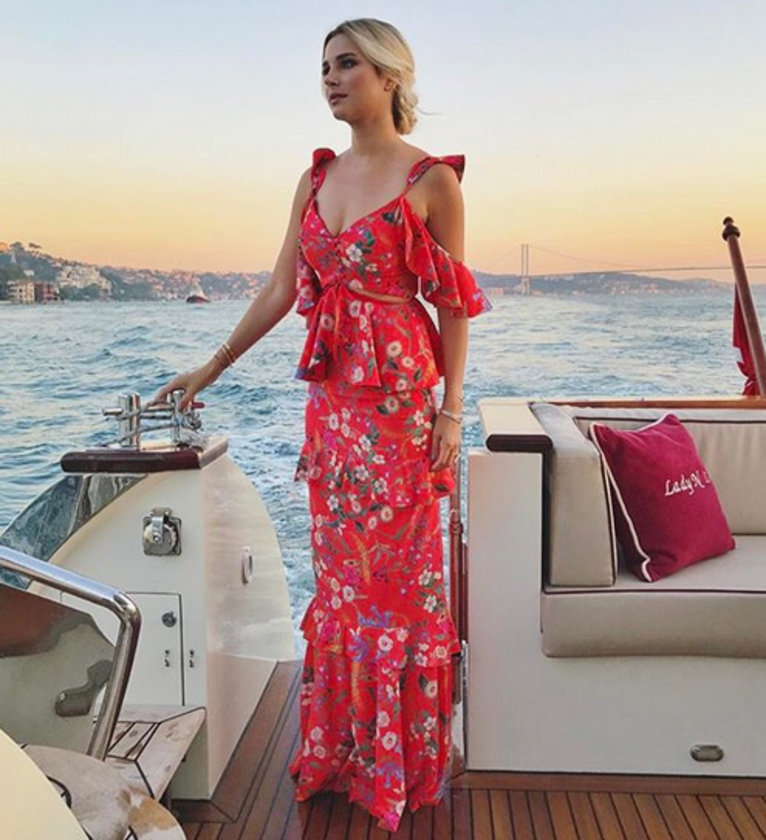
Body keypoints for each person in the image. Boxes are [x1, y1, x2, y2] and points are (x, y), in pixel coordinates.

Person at [156, 17, 491, 832]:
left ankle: (400, 764)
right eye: (324, 68)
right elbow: (281, 289)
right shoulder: (314, 180)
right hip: (335, 414)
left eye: (347, 65)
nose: (331, 79)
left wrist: (451, 411)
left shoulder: (432, 181)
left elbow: (452, 306)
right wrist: (211, 366)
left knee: (401, 588)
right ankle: (346, 755)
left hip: (401, 410)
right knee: (342, 585)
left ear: (389, 76)